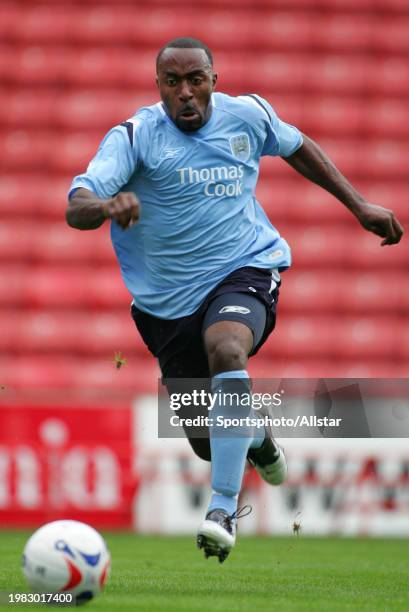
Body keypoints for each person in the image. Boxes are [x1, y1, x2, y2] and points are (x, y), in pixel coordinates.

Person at [66, 37, 403, 562]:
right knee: (205, 440)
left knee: (227, 348)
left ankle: (222, 509)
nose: (185, 93)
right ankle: (257, 438)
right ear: (158, 87)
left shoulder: (247, 116)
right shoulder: (134, 136)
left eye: (195, 79)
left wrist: (359, 205)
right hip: (165, 306)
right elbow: (77, 206)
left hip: (245, 268)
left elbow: (296, 146)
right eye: (172, 82)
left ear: (213, 80)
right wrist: (108, 205)